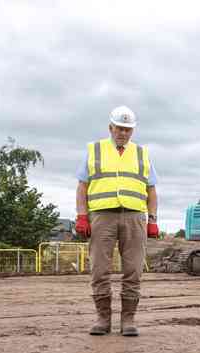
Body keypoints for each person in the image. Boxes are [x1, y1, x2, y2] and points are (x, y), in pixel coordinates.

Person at [75, 105, 159, 337]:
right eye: (119, 128)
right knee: (99, 269)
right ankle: (103, 319)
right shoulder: (95, 150)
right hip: (102, 216)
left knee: (133, 269)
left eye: (128, 130)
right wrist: (82, 215)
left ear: (132, 131)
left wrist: (152, 219)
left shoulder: (141, 154)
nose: (123, 133)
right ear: (110, 127)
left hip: (134, 217)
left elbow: (151, 189)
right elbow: (82, 186)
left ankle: (128, 320)